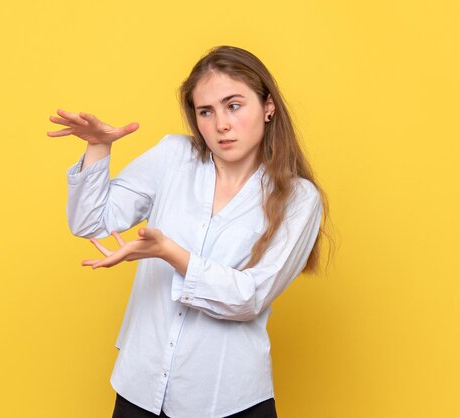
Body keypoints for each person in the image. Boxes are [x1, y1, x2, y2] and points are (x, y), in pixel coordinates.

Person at [48, 46, 328, 418]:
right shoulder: (173, 157)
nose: (221, 125)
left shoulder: (298, 198)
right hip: (141, 389)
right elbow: (91, 221)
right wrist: (99, 146)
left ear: (268, 106)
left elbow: (250, 297)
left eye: (234, 105)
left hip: (226, 399)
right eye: (206, 111)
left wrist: (170, 252)